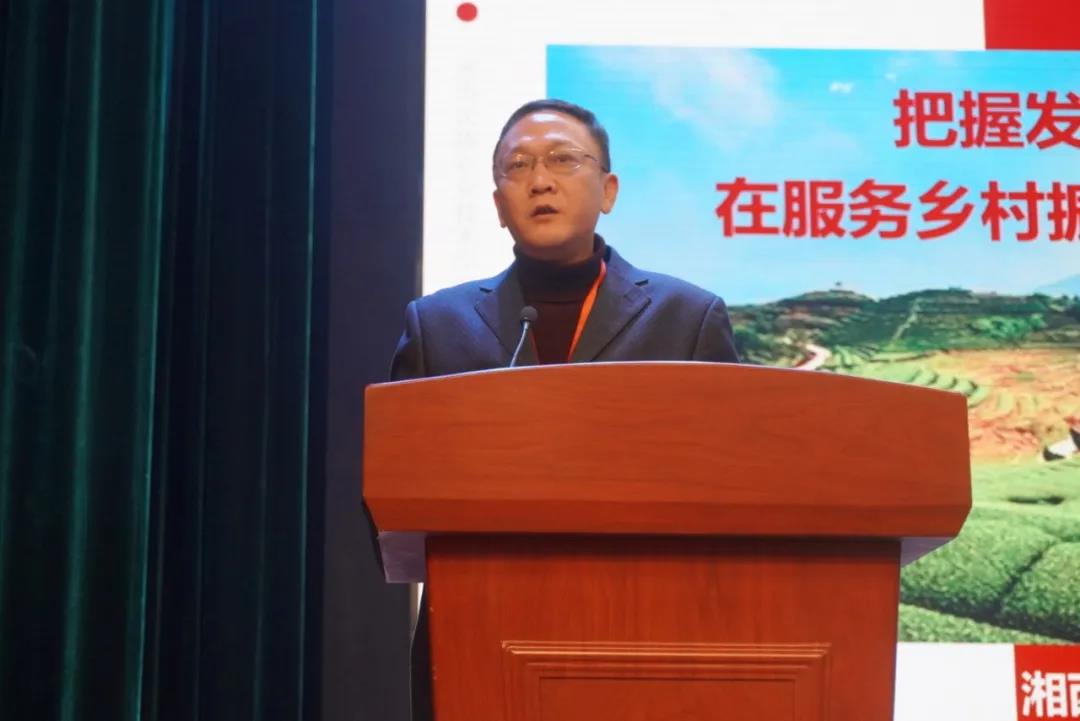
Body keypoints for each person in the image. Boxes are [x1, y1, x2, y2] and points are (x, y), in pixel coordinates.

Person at [390, 98, 740, 721]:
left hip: (647, 637)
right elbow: (393, 488)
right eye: (517, 166)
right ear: (499, 204)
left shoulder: (687, 317)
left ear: (608, 190)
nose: (540, 180)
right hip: (478, 638)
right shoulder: (437, 325)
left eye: (562, 160)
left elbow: (735, 487)